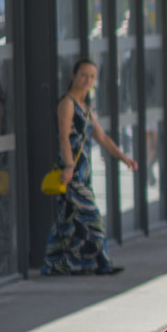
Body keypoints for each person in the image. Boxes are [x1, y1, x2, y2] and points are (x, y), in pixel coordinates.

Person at [42, 57, 136, 275]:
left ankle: (54, 263)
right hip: (71, 173)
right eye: (84, 75)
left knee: (66, 220)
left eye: (92, 76)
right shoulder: (67, 103)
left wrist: (124, 158)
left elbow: (102, 138)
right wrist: (67, 167)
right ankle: (102, 263)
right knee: (92, 215)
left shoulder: (84, 107)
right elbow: (64, 137)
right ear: (73, 76)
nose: (87, 80)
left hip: (82, 173)